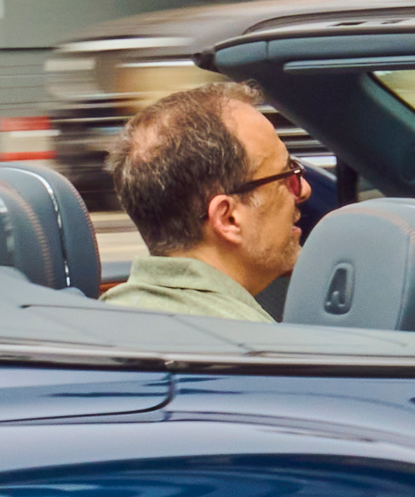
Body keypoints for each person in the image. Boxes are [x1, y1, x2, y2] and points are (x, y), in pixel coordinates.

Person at [103, 80, 306, 320]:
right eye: (287, 177)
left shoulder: (98, 318)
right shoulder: (259, 347)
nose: (303, 190)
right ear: (228, 218)